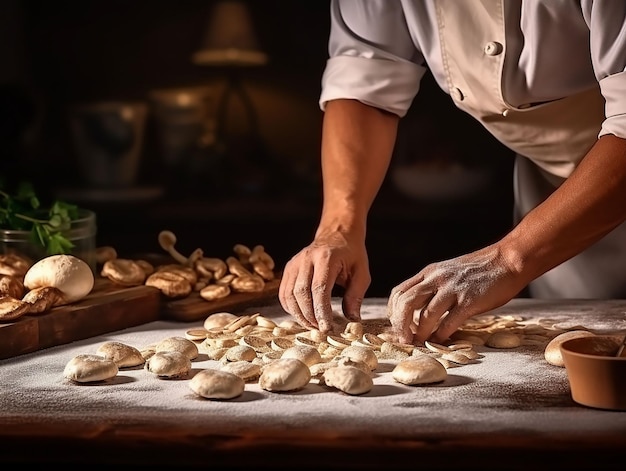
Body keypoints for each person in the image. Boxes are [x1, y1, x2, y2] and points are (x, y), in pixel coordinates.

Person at [278, 0, 626, 345]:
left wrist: (510, 258)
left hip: (606, 177)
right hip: (559, 195)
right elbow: (365, 84)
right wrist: (338, 227)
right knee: (591, 355)